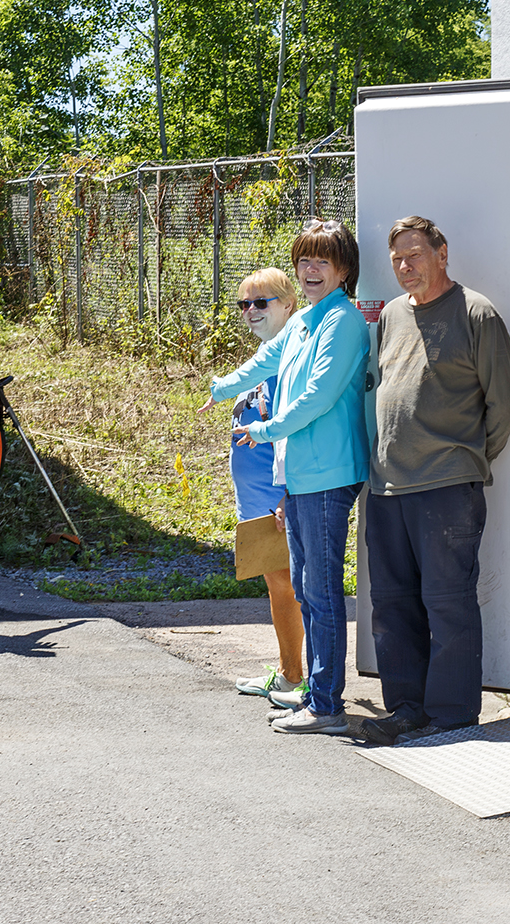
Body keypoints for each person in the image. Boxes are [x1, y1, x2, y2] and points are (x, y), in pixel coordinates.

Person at [205, 220, 370, 735]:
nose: (311, 270)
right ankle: (313, 696)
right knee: (304, 586)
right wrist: (219, 387)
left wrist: (267, 428)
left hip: (328, 475)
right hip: (299, 476)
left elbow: (319, 396)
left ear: (344, 270)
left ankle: (326, 705)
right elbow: (261, 363)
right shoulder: (303, 322)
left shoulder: (342, 322)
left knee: (320, 592)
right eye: (304, 261)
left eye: (323, 261)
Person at [361, 216, 510, 745]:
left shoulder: (476, 313)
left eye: (415, 255)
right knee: (391, 603)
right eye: (397, 260)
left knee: (447, 601)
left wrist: (464, 457)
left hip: (446, 487)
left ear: (442, 253)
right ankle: (406, 709)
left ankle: (452, 717)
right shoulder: (389, 316)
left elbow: (504, 401)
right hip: (386, 487)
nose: (406, 267)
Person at [209, 268, 307, 701]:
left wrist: (288, 495)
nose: (250, 311)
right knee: (278, 585)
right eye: (244, 304)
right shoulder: (265, 358)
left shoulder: (287, 361)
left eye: (261, 302)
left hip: (277, 500)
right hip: (257, 500)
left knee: (291, 587)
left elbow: (295, 431)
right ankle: (290, 672)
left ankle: (297, 679)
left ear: (289, 304)